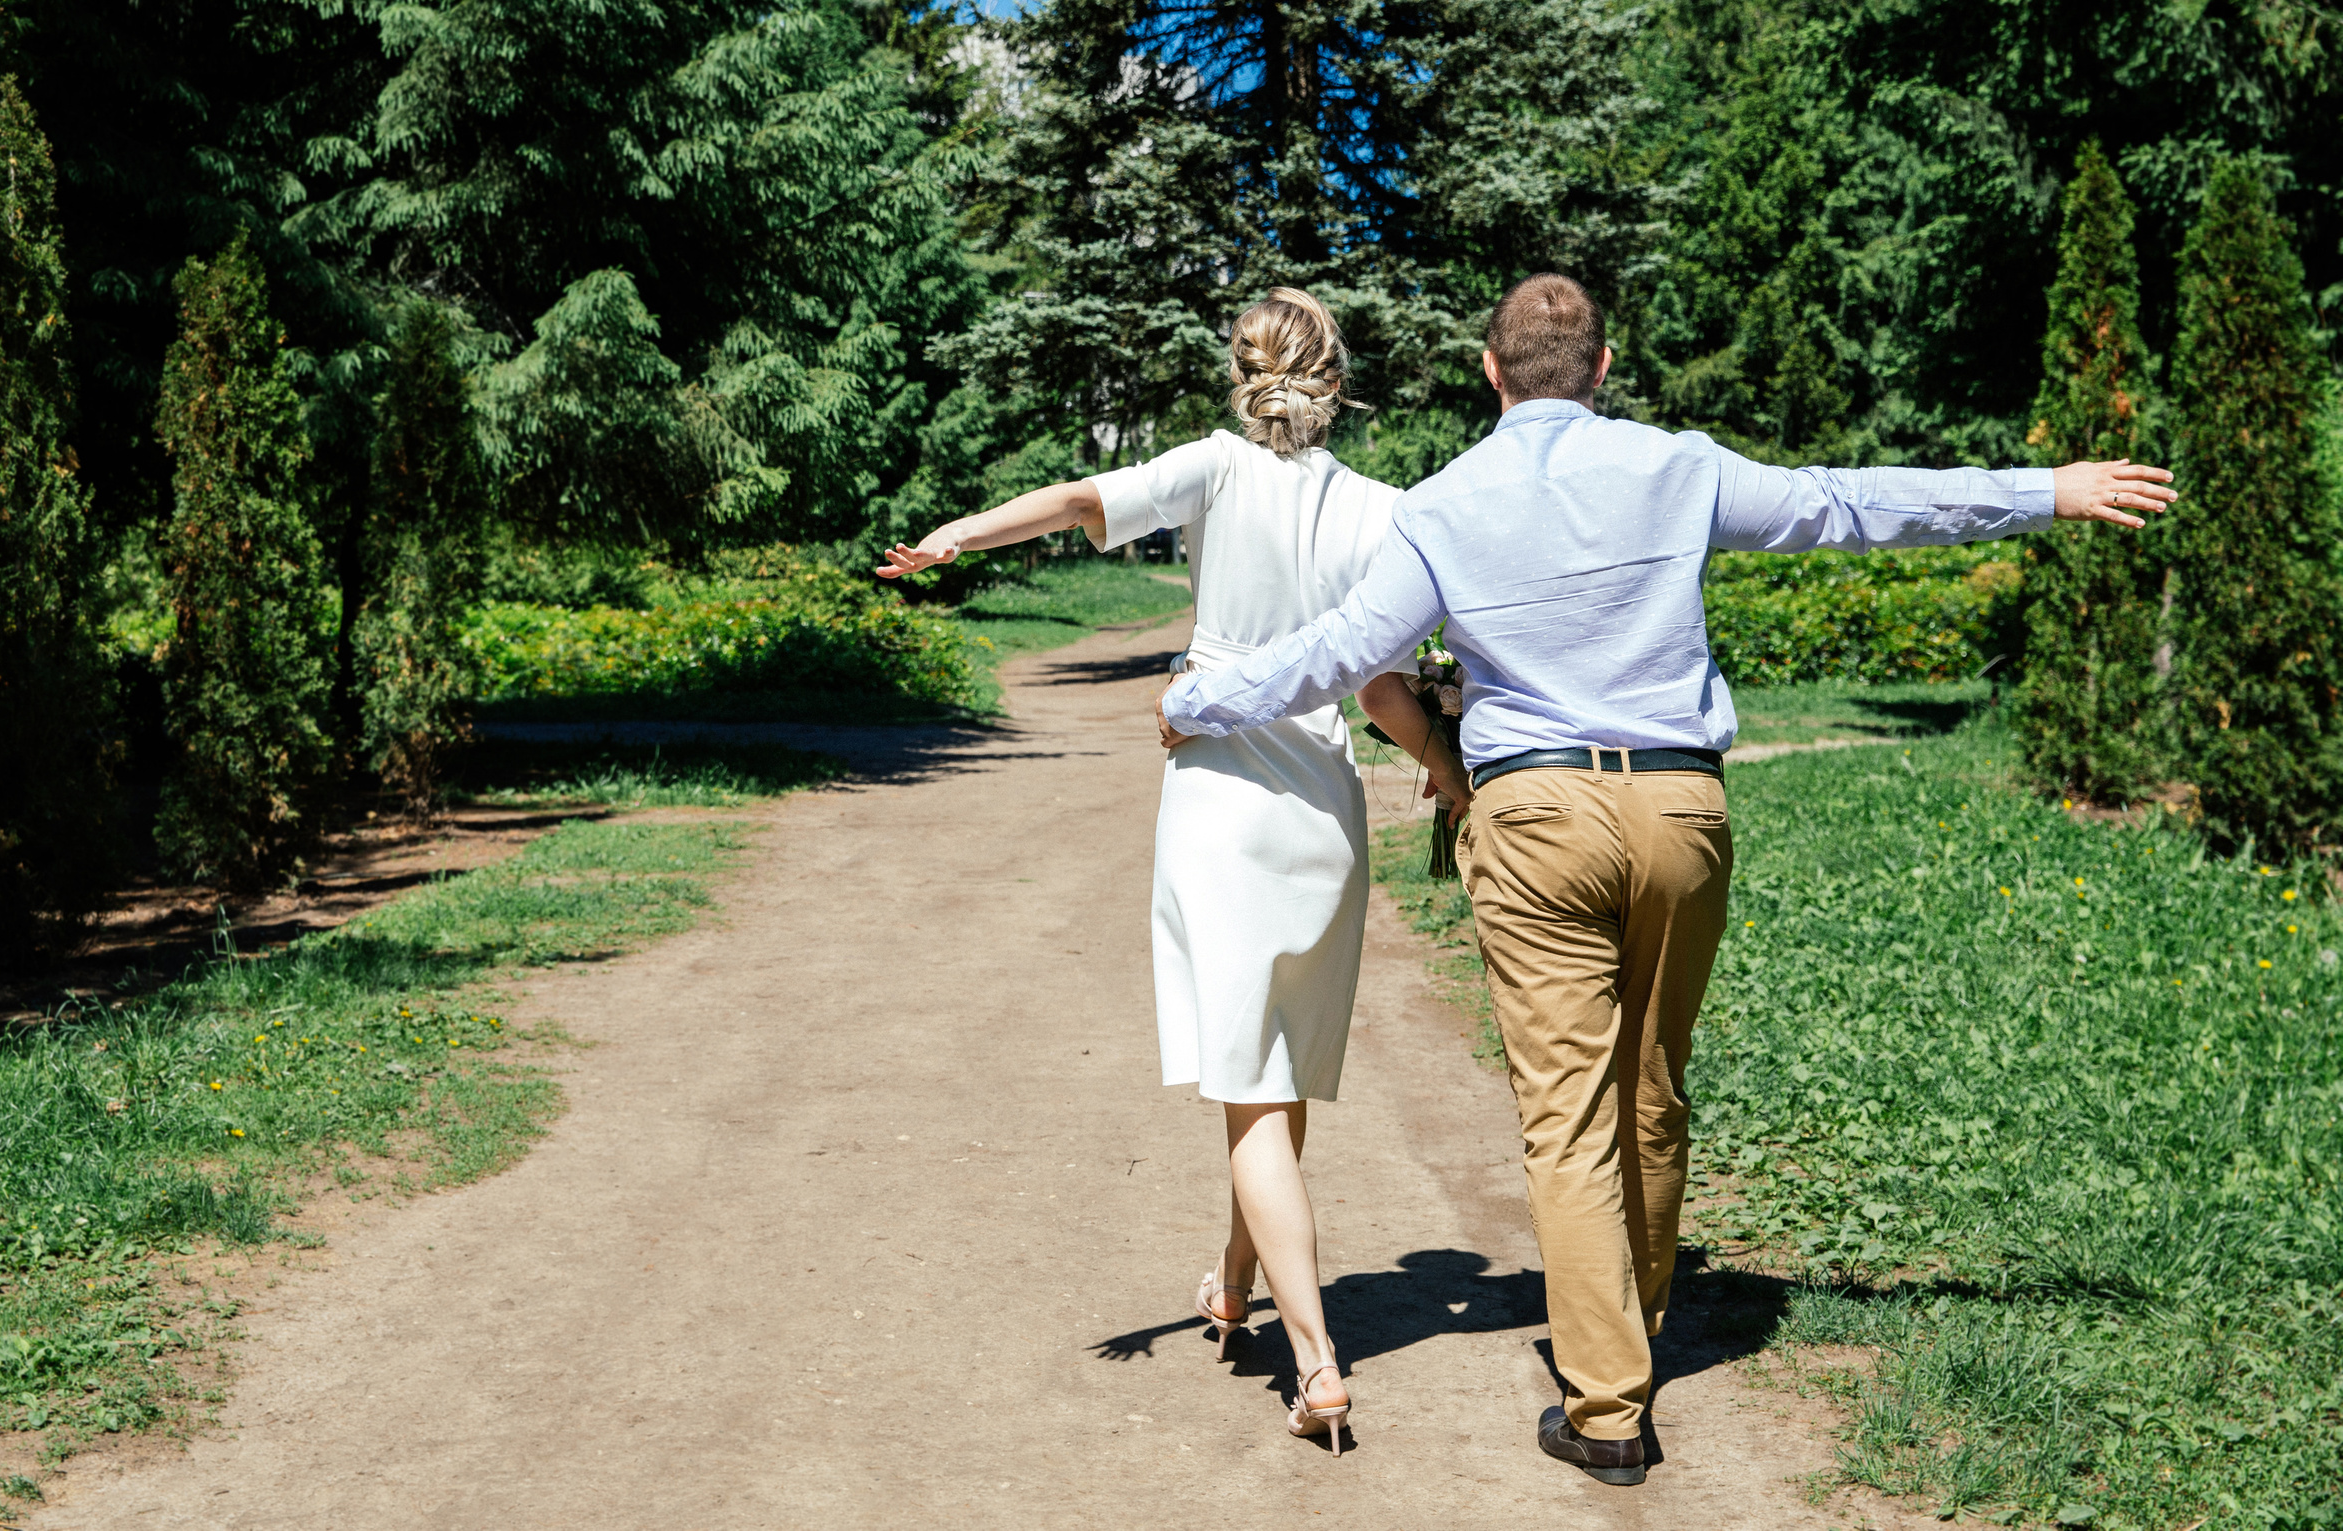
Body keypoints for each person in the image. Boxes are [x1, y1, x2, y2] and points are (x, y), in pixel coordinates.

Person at [1153, 273, 2174, 1487]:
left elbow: (1336, 655)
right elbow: (1845, 504)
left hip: (1534, 817)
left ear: (1491, 376)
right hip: (1681, 810)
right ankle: (1625, 1318)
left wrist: (1197, 699)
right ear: (1600, 369)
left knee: (1568, 1116)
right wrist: (2043, 492)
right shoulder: (1678, 466)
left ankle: (1605, 1407)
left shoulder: (1440, 506)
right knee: (1650, 1083)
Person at [879, 288, 1468, 1455]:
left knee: (1250, 1078)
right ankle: (1235, 1284)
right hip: (1323, 808)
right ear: (1336, 383)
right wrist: (1450, 776)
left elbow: (1074, 501)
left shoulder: (1211, 469)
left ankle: (1317, 1366)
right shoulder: (1383, 510)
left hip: (1218, 801)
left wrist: (955, 534)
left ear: (1241, 378)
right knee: (1276, 1070)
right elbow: (1383, 689)